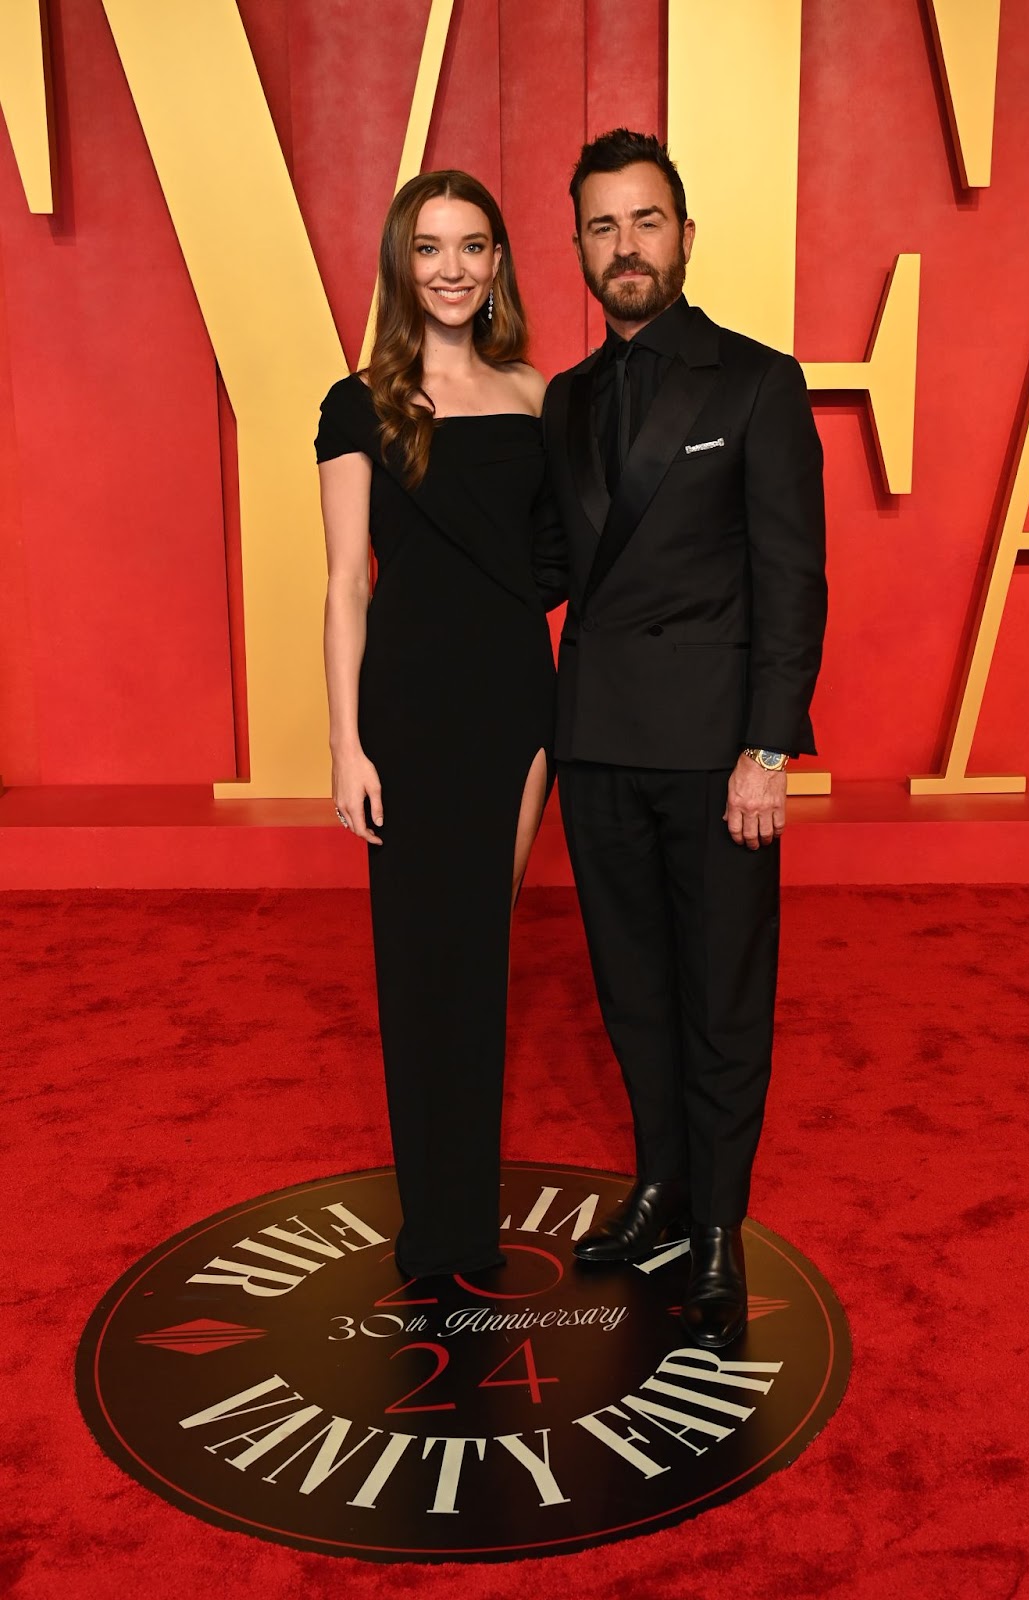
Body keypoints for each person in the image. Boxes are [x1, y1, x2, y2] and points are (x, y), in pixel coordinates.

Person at [543, 130, 827, 1349]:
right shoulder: (563, 398)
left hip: (717, 757)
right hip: (596, 741)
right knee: (633, 992)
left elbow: (792, 578)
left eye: (644, 221)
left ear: (685, 234)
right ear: (578, 252)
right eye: (602, 228)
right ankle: (659, 1185)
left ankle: (717, 1221)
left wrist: (767, 749)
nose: (625, 247)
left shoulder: (757, 381)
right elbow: (551, 565)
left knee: (720, 998)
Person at [315, 171, 559, 1280]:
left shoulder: (534, 394)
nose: (452, 268)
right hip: (407, 712)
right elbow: (343, 583)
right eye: (429, 248)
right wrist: (343, 745)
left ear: (499, 261)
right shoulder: (356, 401)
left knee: (482, 956)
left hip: (516, 699)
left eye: (472, 246)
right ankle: (438, 1231)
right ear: (398, 265)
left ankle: (475, 1214)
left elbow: (558, 561)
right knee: (421, 968)